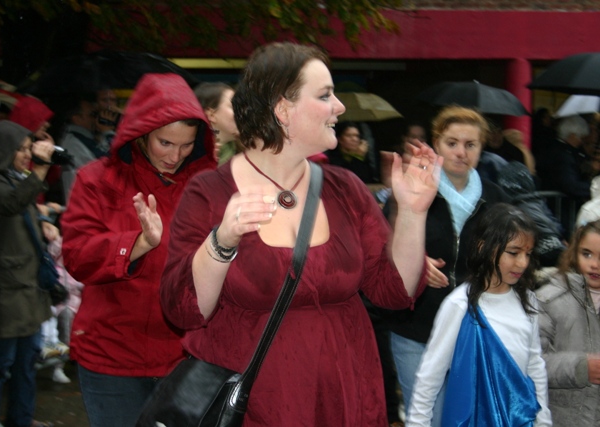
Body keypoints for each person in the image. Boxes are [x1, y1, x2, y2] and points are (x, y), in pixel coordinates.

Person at [160, 42, 440, 426]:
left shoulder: (346, 188)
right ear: (282, 109)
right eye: (325, 95)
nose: (339, 107)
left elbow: (394, 291)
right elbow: (184, 309)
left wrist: (411, 212)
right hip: (255, 403)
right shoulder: (208, 193)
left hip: (347, 394)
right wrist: (222, 240)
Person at [59, 73, 216, 427]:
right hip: (110, 357)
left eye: (187, 144)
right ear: (141, 134)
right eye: (165, 143)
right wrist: (137, 244)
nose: (175, 155)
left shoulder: (207, 185)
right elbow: (77, 255)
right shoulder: (96, 179)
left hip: (185, 356)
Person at [384, 106, 509, 426]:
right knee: (423, 416)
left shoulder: (496, 200)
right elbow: (379, 247)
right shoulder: (410, 190)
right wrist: (412, 260)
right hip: (416, 325)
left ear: (482, 148)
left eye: (471, 144)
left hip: (474, 328)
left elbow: (509, 260)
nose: (461, 152)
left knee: (468, 415)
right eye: (452, 143)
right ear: (436, 144)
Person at [407, 204, 551, 426]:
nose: (522, 262)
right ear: (485, 247)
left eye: (528, 254)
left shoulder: (528, 301)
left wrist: (543, 420)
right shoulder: (459, 305)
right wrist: (417, 423)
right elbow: (431, 373)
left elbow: (534, 365)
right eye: (513, 252)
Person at [0, 120, 56, 427]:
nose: (26, 154)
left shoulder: (14, 178)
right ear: (6, 149)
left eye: (27, 148)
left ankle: (21, 419)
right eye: (20, 149)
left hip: (29, 288)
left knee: (26, 363)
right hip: (7, 290)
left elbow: (20, 212)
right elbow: (10, 204)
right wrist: (42, 169)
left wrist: (44, 223)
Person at [536, 220, 600, 427]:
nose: (595, 264)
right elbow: (531, 363)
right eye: (587, 254)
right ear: (573, 252)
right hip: (562, 419)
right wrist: (580, 367)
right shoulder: (548, 299)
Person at [193, 82, 240, 165]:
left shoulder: (248, 155)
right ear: (211, 114)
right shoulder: (191, 159)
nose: (243, 112)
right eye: (234, 106)